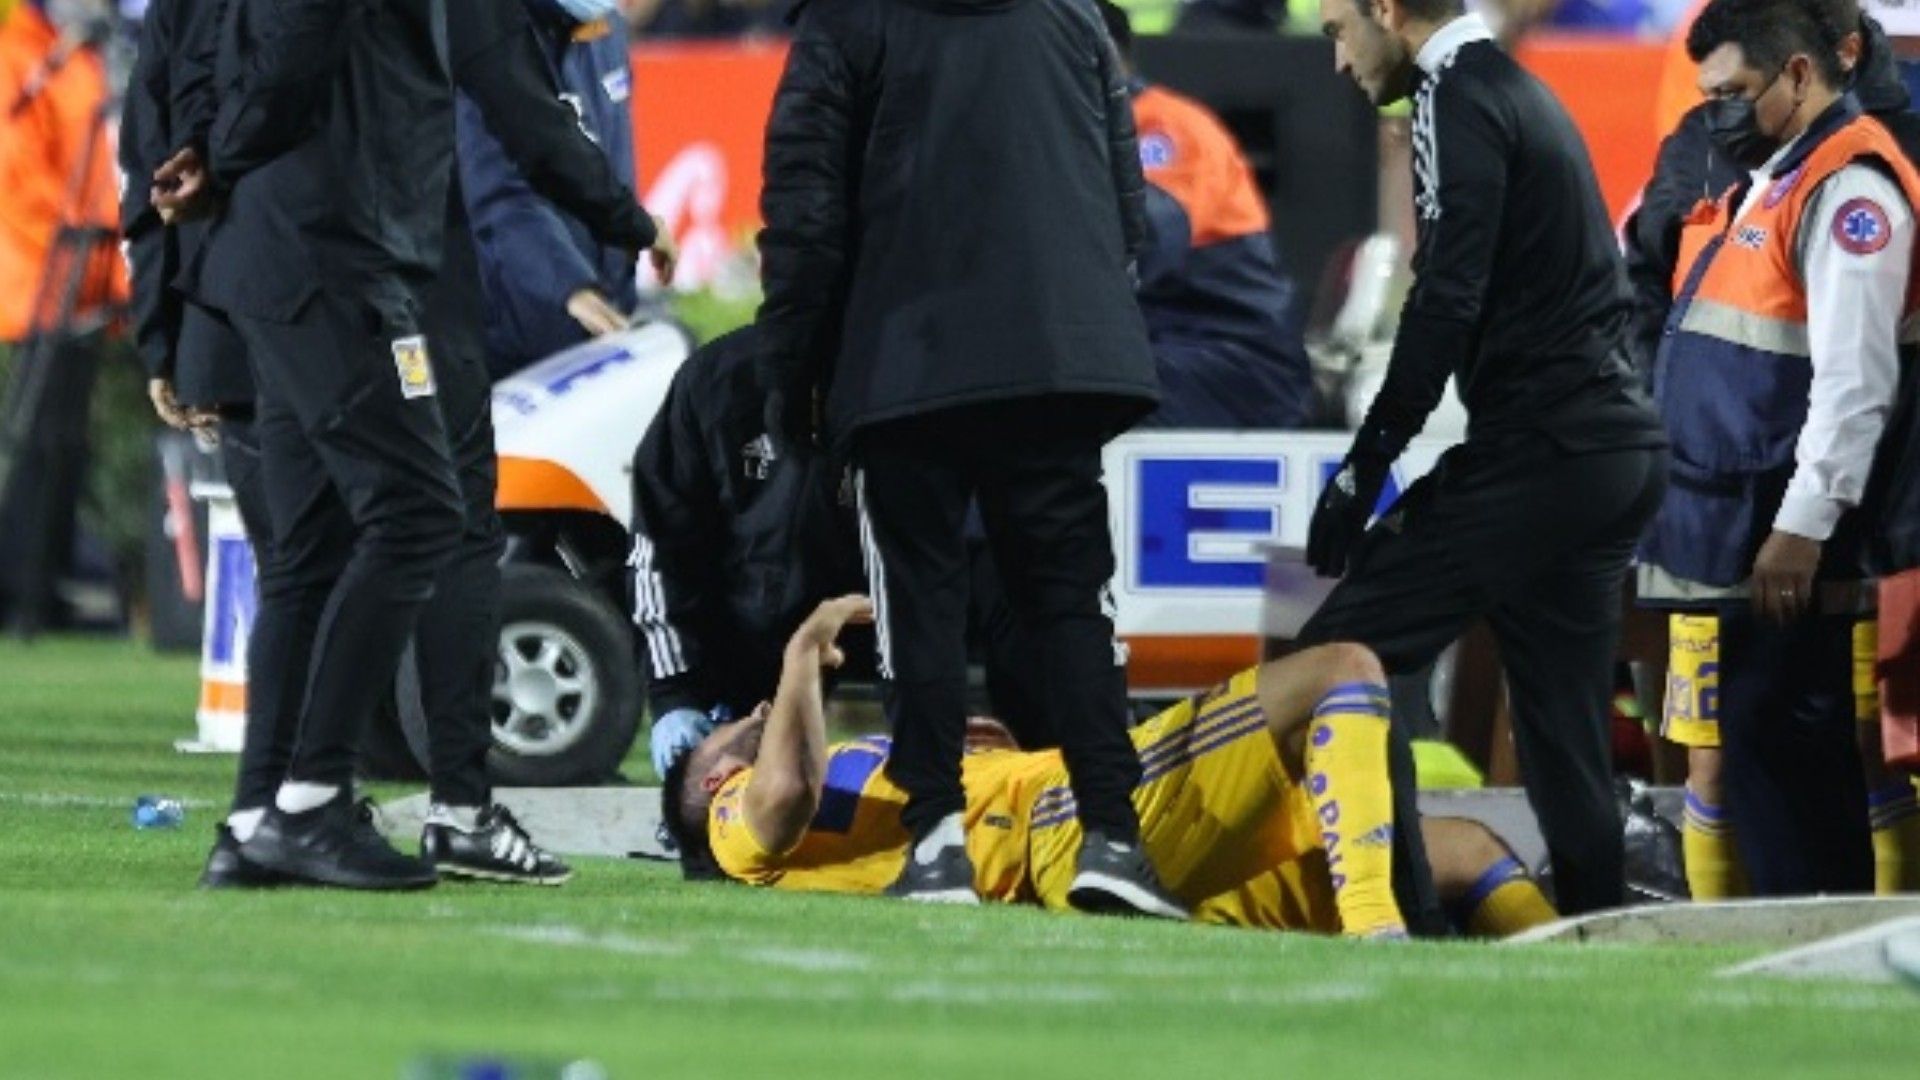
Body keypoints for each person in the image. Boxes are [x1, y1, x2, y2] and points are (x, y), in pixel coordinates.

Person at [168, 0, 670, 889]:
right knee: (422, 519)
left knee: (308, 554)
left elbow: (204, 59)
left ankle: (254, 819)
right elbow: (501, 98)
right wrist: (626, 218)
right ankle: (317, 803)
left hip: (275, 260)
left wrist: (212, 154)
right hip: (341, 259)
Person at [753, 0, 1177, 912]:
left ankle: (939, 841)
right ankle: (1112, 836)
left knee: (918, 602)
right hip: (1057, 354)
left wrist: (793, 379)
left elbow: (804, 218)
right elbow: (1125, 202)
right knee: (1070, 600)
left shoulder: (847, 20)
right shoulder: (1073, 14)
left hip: (906, 358)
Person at [1309, 0, 1669, 916]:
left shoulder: (1452, 95)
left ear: (1387, 10)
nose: (1340, 62)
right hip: (1608, 452)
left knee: (1336, 658)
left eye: (1338, 31)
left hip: (1543, 450)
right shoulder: (1518, 93)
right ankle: (1596, 937)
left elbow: (1446, 296)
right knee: (1562, 735)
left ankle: (1399, 915)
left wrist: (1366, 464)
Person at [660, 596, 1563, 939]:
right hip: (1075, 830)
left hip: (1126, 859)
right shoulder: (735, 825)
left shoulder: (844, 778)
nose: (750, 719)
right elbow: (785, 792)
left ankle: (1557, 967)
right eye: (726, 732)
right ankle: (1379, 939)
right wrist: (802, 655)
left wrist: (984, 761)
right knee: (1343, 668)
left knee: (1461, 847)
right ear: (708, 782)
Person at [1622, 0, 1920, 901]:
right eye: (1708, 94)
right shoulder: (1774, 176)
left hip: (1785, 534)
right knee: (1762, 756)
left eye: (1734, 92)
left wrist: (1801, 527)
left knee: (1795, 763)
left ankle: (1825, 945)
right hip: (1734, 521)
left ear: (1799, 73)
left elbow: (1855, 382)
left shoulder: (1851, 188)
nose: (1717, 113)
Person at [1098, 1, 1314, 429]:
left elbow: (1142, 243)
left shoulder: (1165, 127)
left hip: (1233, 361)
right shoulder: (1097, 130)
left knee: (1063, 402)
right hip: (1169, 347)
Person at [458, 0, 649, 380]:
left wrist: (629, 246)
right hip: (506, 328)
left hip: (600, 316)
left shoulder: (605, 26)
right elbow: (496, 190)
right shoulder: (482, 31)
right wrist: (567, 287)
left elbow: (612, 164)